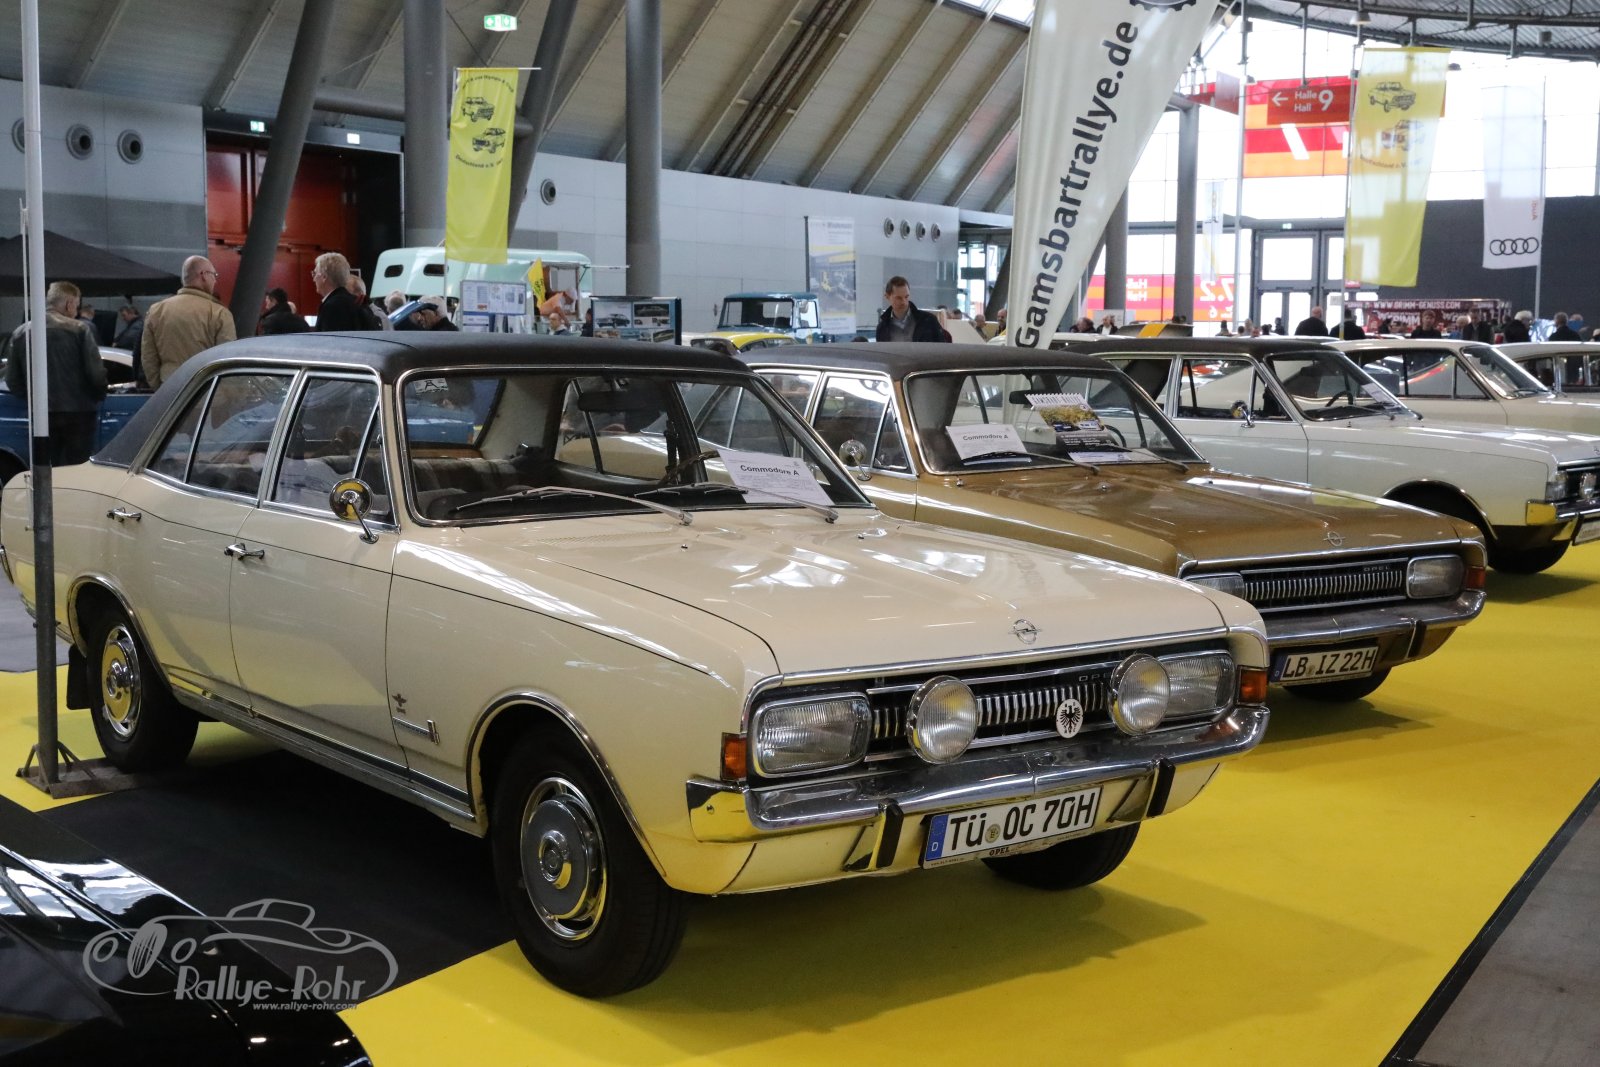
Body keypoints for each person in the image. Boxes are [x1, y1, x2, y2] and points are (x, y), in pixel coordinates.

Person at [2, 280, 108, 465]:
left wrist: (32, 398)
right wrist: (98, 395)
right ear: (69, 304)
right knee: (77, 469)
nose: (76, 311)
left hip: (42, 415)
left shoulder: (21, 333)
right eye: (76, 305)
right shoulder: (80, 329)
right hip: (79, 413)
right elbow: (96, 374)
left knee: (47, 466)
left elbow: (12, 379)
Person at [142, 254, 236, 389]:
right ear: (203, 275)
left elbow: (148, 358)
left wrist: (160, 388)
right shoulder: (219, 313)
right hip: (206, 391)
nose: (215, 281)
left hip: (169, 388)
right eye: (214, 275)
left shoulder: (156, 310)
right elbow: (226, 360)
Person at [311, 252, 374, 331]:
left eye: (315, 273)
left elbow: (331, 338)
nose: (314, 279)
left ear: (324, 277)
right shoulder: (357, 302)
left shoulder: (332, 307)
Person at [874, 276, 946, 342]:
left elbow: (942, 348)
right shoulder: (882, 328)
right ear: (887, 296)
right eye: (898, 298)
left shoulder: (929, 321)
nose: (904, 302)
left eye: (906, 297)